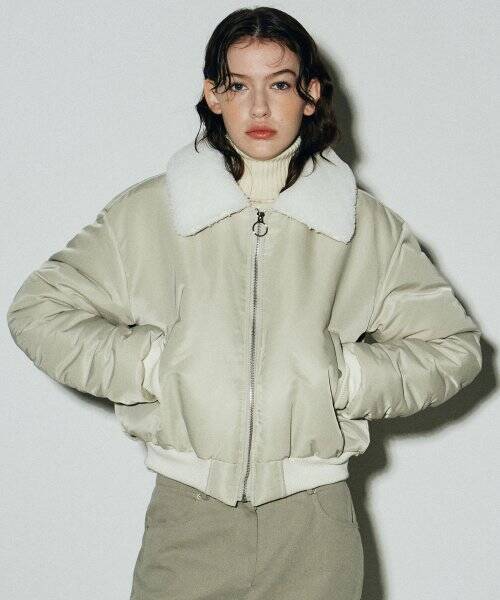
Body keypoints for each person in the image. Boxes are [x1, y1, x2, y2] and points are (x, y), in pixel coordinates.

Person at [6, 6, 482, 600]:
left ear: (310, 94)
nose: (259, 109)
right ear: (213, 94)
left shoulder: (362, 225)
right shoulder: (151, 212)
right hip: (188, 516)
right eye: (238, 86)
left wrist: (344, 378)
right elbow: (38, 311)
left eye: (278, 84)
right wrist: (155, 366)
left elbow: (454, 349)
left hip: (315, 524)